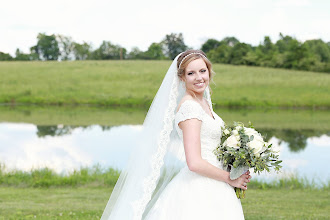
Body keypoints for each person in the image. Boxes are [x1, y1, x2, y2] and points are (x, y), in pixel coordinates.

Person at [101, 50, 251, 220]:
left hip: (217, 181)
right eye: (191, 73)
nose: (199, 77)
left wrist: (236, 164)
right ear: (182, 78)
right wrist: (229, 178)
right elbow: (194, 162)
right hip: (201, 186)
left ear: (209, 71)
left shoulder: (203, 103)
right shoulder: (190, 107)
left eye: (202, 71)